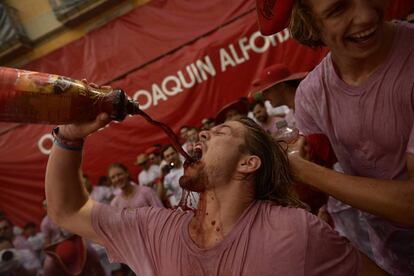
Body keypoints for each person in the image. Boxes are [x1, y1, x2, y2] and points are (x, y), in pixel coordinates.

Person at [45, 114, 385, 275]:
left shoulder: (295, 232)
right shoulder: (152, 230)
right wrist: (70, 137)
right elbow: (67, 210)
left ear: (248, 163)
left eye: (221, 131)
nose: (203, 133)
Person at [255, 0, 414, 274]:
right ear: (310, 23)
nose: (365, 16)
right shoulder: (311, 95)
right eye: (338, 9)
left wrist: (303, 170)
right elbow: (314, 196)